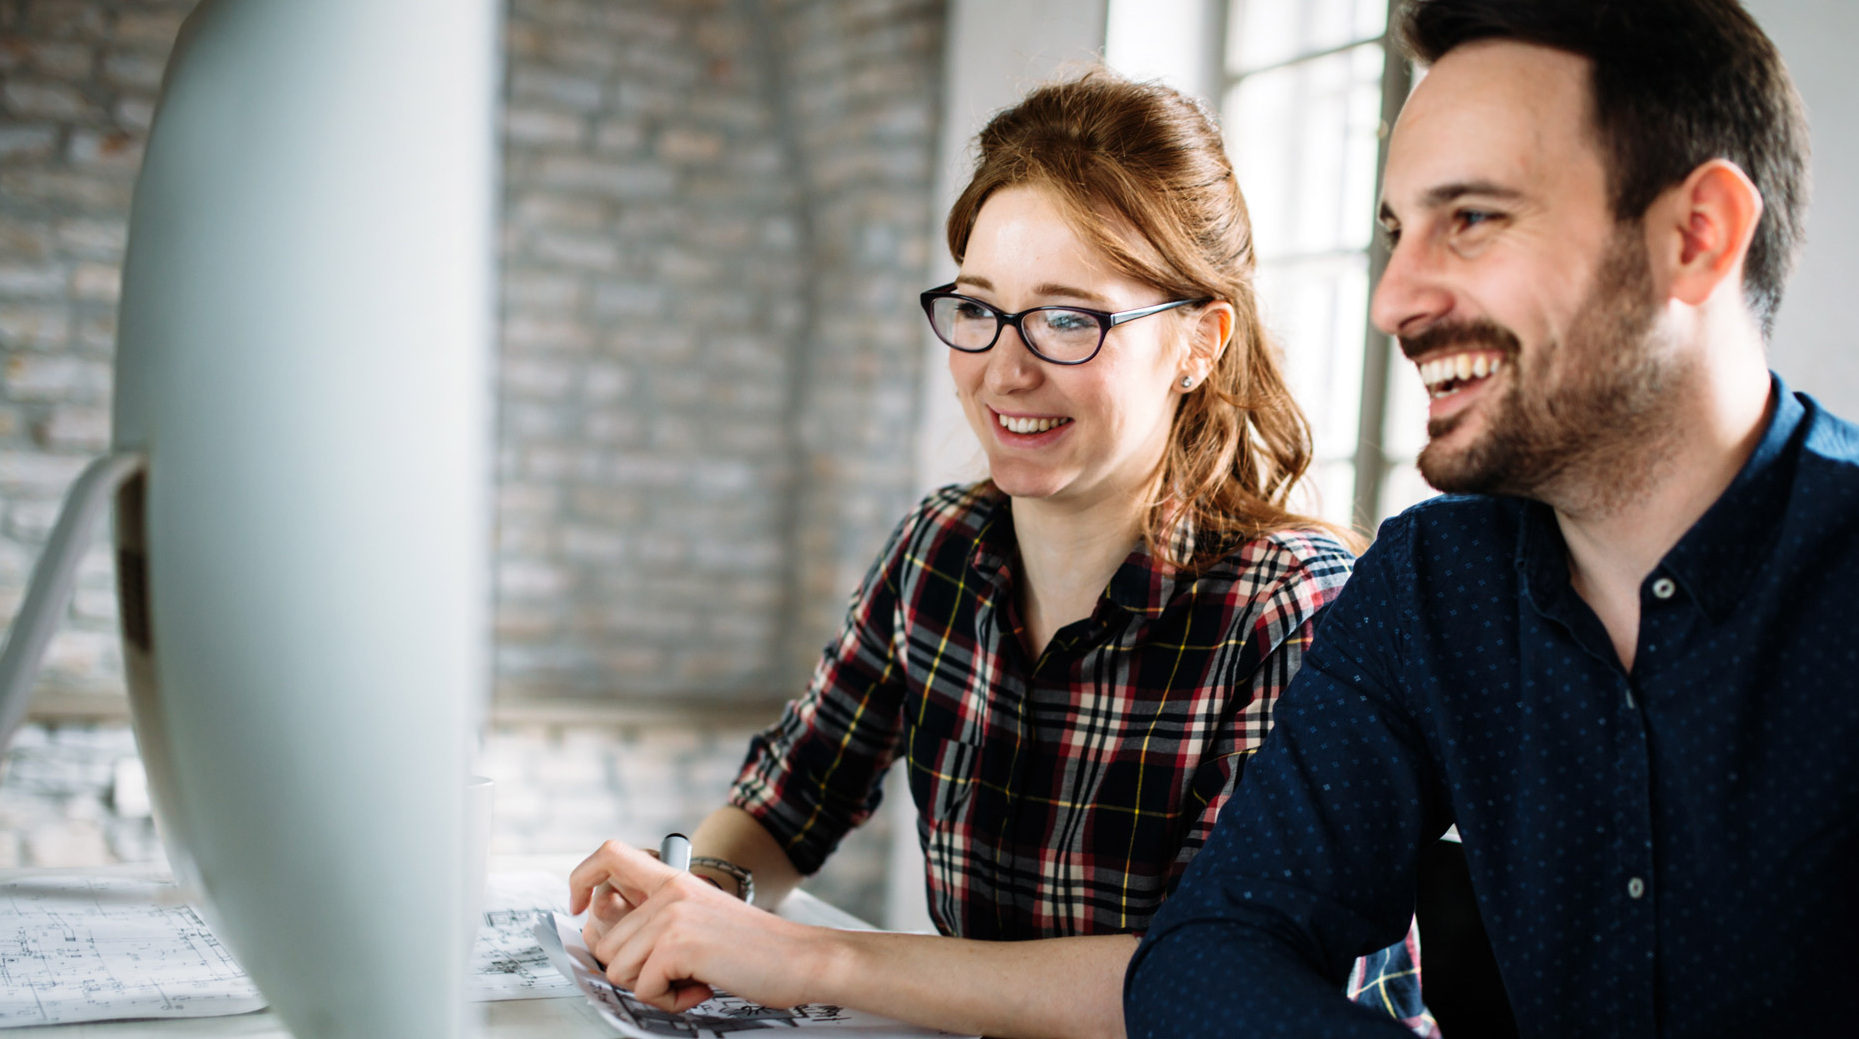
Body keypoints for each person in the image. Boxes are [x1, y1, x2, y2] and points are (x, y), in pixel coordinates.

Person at [566, 71, 1434, 1039]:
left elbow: (1216, 978)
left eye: (1069, 319)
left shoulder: (1296, 611)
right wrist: (700, 897)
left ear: (1198, 342)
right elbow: (789, 798)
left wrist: (806, 957)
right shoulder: (940, 550)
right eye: (977, 308)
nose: (1004, 368)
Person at [1125, 0, 1859, 1036]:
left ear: (1698, 235)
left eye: (1474, 218)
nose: (1395, 300)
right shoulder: (1432, 586)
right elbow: (1206, 953)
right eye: (1399, 232)